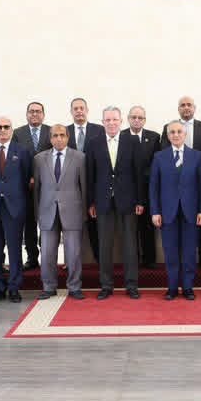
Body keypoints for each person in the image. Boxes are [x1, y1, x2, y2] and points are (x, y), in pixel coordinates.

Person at [86, 106, 144, 299]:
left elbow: (138, 173)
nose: (111, 123)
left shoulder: (132, 141)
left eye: (115, 120)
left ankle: (131, 285)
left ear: (121, 121)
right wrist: (91, 202)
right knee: (105, 245)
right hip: (102, 201)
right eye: (108, 120)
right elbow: (90, 175)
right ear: (102, 122)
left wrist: (140, 200)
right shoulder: (93, 143)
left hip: (128, 201)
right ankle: (106, 285)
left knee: (130, 245)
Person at [150, 120, 201, 300]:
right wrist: (155, 211)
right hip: (167, 212)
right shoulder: (159, 157)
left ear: (185, 134)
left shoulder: (196, 156)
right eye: (172, 132)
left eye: (179, 132)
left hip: (191, 211)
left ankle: (188, 287)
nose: (176, 135)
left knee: (190, 252)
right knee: (171, 252)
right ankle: (172, 287)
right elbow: (153, 187)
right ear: (168, 136)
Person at [0, 117, 32, 303]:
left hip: (14, 207)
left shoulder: (22, 151)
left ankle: (14, 288)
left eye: (6, 127)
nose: (2, 130)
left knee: (14, 249)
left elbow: (26, 178)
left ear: (12, 129)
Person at [33, 124, 86, 299]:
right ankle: (49, 286)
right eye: (55, 135)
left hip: (73, 210)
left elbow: (84, 186)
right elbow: (37, 188)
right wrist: (37, 213)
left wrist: (84, 211)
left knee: (74, 252)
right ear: (50, 138)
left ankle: (74, 286)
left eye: (62, 135)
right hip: (47, 211)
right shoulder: (39, 159)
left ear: (68, 137)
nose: (59, 138)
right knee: (47, 251)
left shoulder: (79, 157)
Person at [173, 96, 201, 267]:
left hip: (199, 180)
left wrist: (192, 166)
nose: (186, 108)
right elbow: (165, 151)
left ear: (194, 108)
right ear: (178, 109)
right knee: (179, 220)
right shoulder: (170, 128)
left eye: (189, 105)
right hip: (176, 183)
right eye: (182, 105)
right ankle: (181, 258)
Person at [13, 101, 51, 270]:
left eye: (38, 111)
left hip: (48, 187)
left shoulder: (52, 131)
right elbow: (15, 159)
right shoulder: (17, 133)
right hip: (25, 187)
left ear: (43, 114)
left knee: (47, 223)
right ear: (27, 114)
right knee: (29, 224)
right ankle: (32, 258)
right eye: (31, 111)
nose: (34, 114)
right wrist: (27, 177)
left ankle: (47, 256)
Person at [69, 97, 105, 258]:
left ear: (87, 110)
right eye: (75, 109)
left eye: (81, 108)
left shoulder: (99, 130)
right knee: (71, 225)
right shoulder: (64, 131)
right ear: (71, 112)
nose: (79, 111)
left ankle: (99, 260)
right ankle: (71, 260)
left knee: (94, 224)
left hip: (94, 183)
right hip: (71, 186)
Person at [126, 105, 160, 267]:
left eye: (140, 118)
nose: (137, 120)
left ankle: (149, 260)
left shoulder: (154, 137)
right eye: (134, 117)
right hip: (126, 189)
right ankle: (133, 260)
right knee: (129, 228)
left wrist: (143, 177)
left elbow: (156, 162)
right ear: (128, 119)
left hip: (147, 189)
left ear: (145, 120)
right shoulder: (121, 136)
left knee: (147, 226)